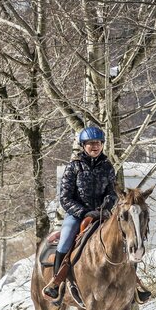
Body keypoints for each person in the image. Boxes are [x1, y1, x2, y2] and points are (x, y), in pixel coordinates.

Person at [42, 126, 118, 300]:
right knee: (65, 240)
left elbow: (112, 192)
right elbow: (65, 198)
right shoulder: (73, 167)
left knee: (123, 237)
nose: (95, 146)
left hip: (101, 214)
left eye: (98, 143)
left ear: (102, 144)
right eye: (91, 143)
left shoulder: (108, 167)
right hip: (77, 215)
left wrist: (106, 206)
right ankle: (57, 283)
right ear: (83, 145)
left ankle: (133, 284)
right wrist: (84, 212)